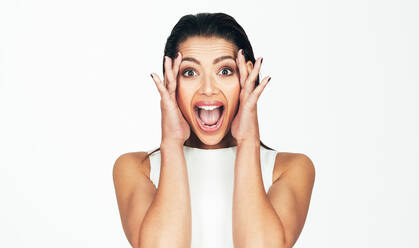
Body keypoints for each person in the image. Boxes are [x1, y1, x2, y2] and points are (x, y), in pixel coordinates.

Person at [113, 12, 315, 248]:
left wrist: (248, 140)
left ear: (247, 75)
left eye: (225, 71)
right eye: (190, 72)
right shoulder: (136, 168)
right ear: (172, 82)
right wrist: (172, 141)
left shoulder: (290, 169)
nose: (208, 89)